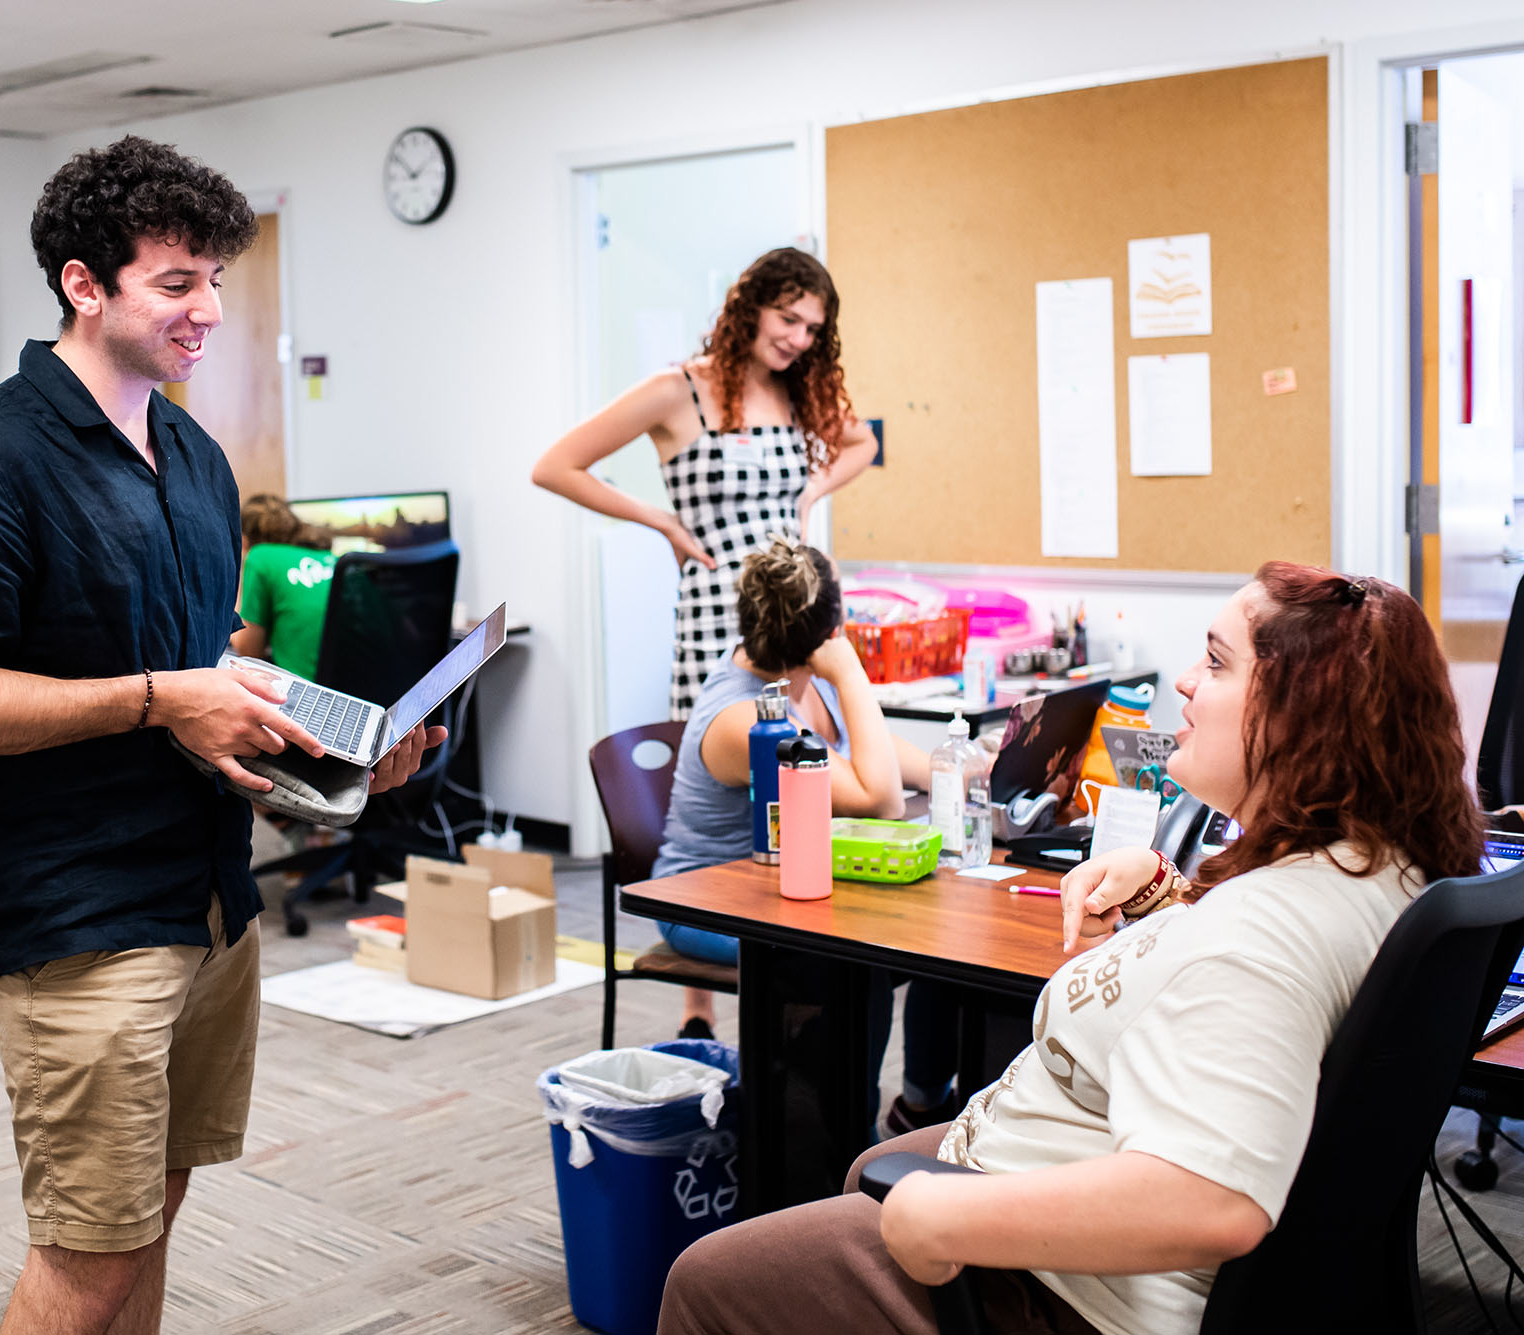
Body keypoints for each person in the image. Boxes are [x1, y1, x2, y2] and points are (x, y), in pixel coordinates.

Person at [0, 136, 440, 1335]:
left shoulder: (191, 456)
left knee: (150, 1214)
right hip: (73, 912)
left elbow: (206, 666)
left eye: (217, 281)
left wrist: (339, 746)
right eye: (177, 283)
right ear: (85, 285)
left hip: (203, 892)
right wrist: (153, 697)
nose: (209, 311)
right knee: (88, 1251)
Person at [657, 563, 1484, 1335]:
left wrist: (946, 1216)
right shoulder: (1376, 863)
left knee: (704, 1277)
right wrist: (1170, 890)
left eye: (1216, 663)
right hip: (1092, 1204)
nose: (1187, 683)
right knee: (872, 1166)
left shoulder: (1254, 944)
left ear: (1303, 714)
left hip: (1075, 1293)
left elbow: (1212, 1197)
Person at [649, 539, 943, 1138]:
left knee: (943, 938)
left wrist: (961, 765)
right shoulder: (745, 719)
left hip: (782, 886)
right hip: (708, 902)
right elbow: (881, 800)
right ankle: (839, 1136)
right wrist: (853, 669)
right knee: (865, 960)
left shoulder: (797, 674)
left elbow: (878, 757)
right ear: (828, 631)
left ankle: (924, 1105)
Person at [532, 247, 878, 720]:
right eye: (788, 318)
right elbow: (555, 467)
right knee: (718, 765)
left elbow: (864, 444)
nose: (799, 339)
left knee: (796, 768)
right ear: (751, 307)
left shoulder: (796, 392)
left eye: (813, 330)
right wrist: (663, 522)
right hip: (718, 607)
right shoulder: (678, 390)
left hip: (793, 612)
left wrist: (810, 491)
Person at [232, 494, 338, 680]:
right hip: (356, 689)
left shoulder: (260, 556)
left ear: (244, 539)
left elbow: (248, 651)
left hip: (308, 689)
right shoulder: (328, 557)